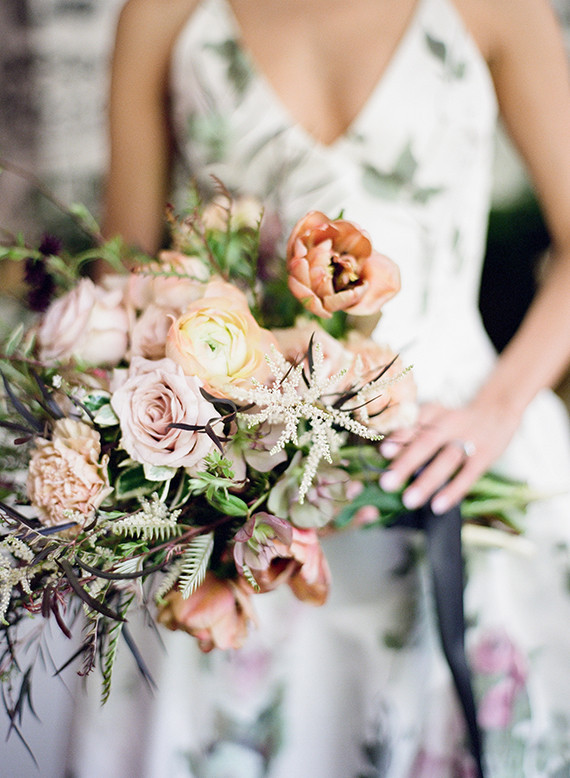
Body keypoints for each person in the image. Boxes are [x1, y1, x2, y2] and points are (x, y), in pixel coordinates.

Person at [66, 0, 570, 776]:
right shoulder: (163, 15)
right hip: (235, 489)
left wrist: (496, 412)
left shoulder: (499, 8)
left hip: (459, 451)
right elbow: (124, 281)